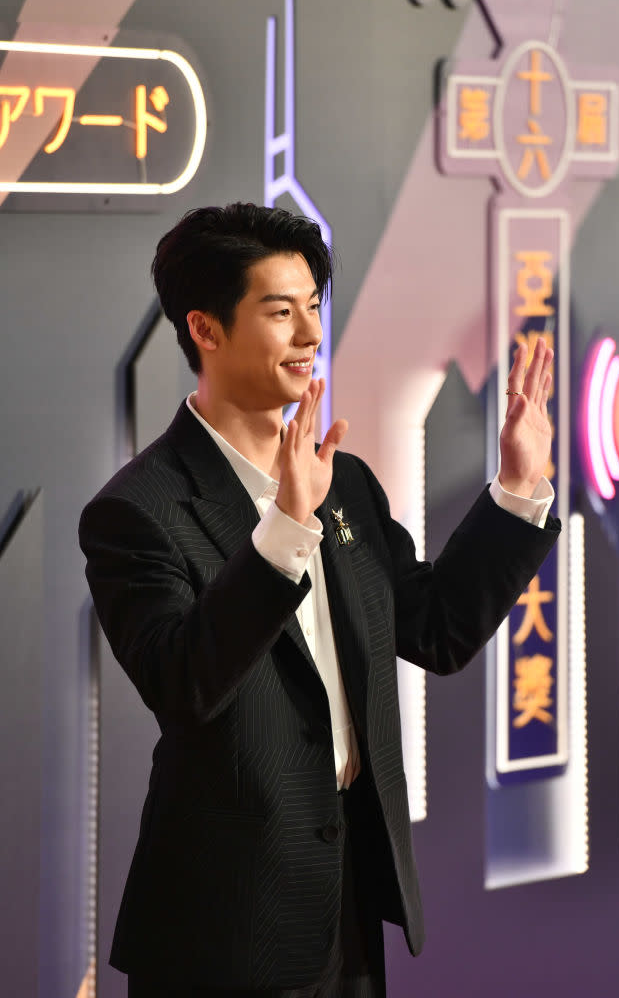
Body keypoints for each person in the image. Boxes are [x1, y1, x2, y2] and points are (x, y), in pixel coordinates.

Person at [79, 203, 559, 998]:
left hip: (350, 897)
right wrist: (283, 530)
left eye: (312, 308)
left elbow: (436, 630)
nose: (308, 335)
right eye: (279, 312)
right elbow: (182, 685)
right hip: (224, 925)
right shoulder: (138, 510)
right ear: (205, 329)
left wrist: (514, 487)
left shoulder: (350, 484)